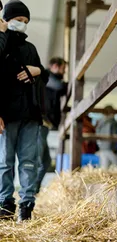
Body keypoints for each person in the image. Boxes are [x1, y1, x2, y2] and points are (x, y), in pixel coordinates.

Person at [0, 0, 49, 221]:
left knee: (29, 161)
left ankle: (26, 205)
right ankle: (5, 204)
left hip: (30, 114)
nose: (22, 24)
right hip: (7, 114)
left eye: (25, 20)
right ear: (6, 20)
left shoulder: (30, 48)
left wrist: (36, 70)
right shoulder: (2, 44)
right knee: (4, 161)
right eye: (18, 20)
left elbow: (45, 76)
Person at [36, 57, 67, 194]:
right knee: (38, 160)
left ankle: (34, 189)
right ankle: (30, 191)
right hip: (39, 123)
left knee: (45, 161)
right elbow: (60, 86)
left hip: (45, 124)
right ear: (55, 66)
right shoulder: (47, 76)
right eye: (63, 69)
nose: (63, 72)